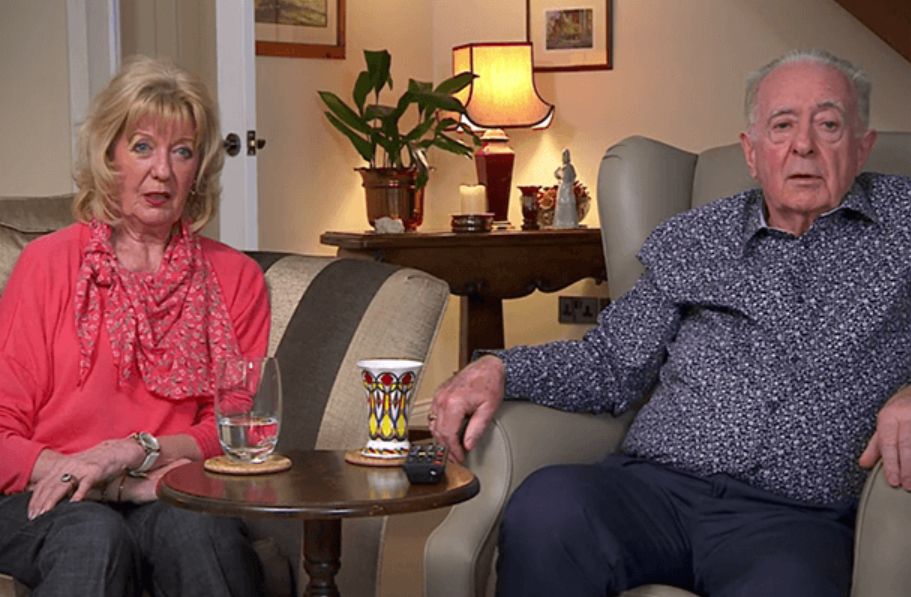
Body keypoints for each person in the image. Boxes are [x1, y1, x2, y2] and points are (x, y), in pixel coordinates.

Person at [429, 48, 911, 597]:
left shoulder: (904, 225)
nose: (803, 145)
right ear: (751, 153)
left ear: (862, 146)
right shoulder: (695, 236)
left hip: (793, 518)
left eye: (828, 124)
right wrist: (497, 367)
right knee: (549, 506)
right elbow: (610, 363)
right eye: (782, 125)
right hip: (654, 490)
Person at [0, 56, 270, 596]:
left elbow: (234, 428)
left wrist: (134, 453)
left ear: (199, 169)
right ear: (110, 158)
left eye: (183, 151)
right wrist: (97, 480)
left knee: (202, 530)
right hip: (42, 494)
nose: (162, 171)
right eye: (142, 146)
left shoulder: (236, 278)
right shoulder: (47, 264)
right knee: (93, 535)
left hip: (160, 489)